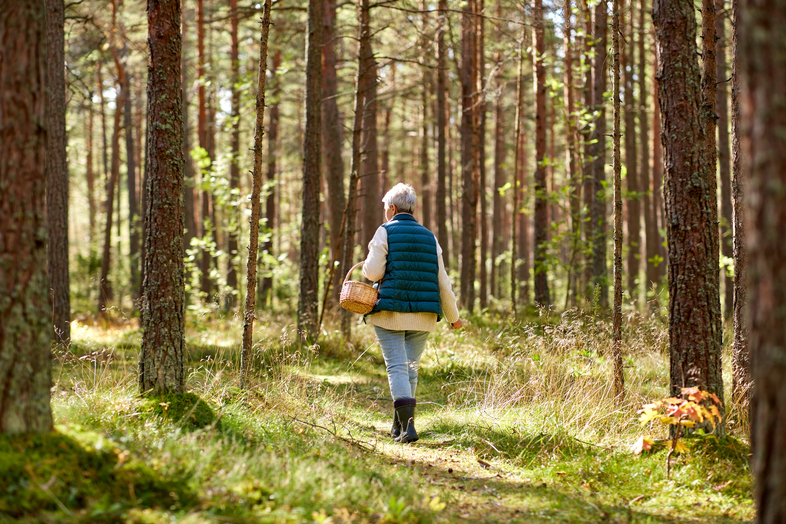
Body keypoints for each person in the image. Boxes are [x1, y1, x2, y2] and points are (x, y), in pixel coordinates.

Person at [361, 183, 462, 444]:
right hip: (424, 314)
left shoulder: (385, 231)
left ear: (393, 209)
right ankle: (399, 426)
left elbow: (372, 273)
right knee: (410, 369)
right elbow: (443, 281)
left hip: (390, 312)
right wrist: (453, 317)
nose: (385, 212)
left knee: (397, 367)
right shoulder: (430, 237)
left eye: (386, 208)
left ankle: (407, 428)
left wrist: (367, 268)